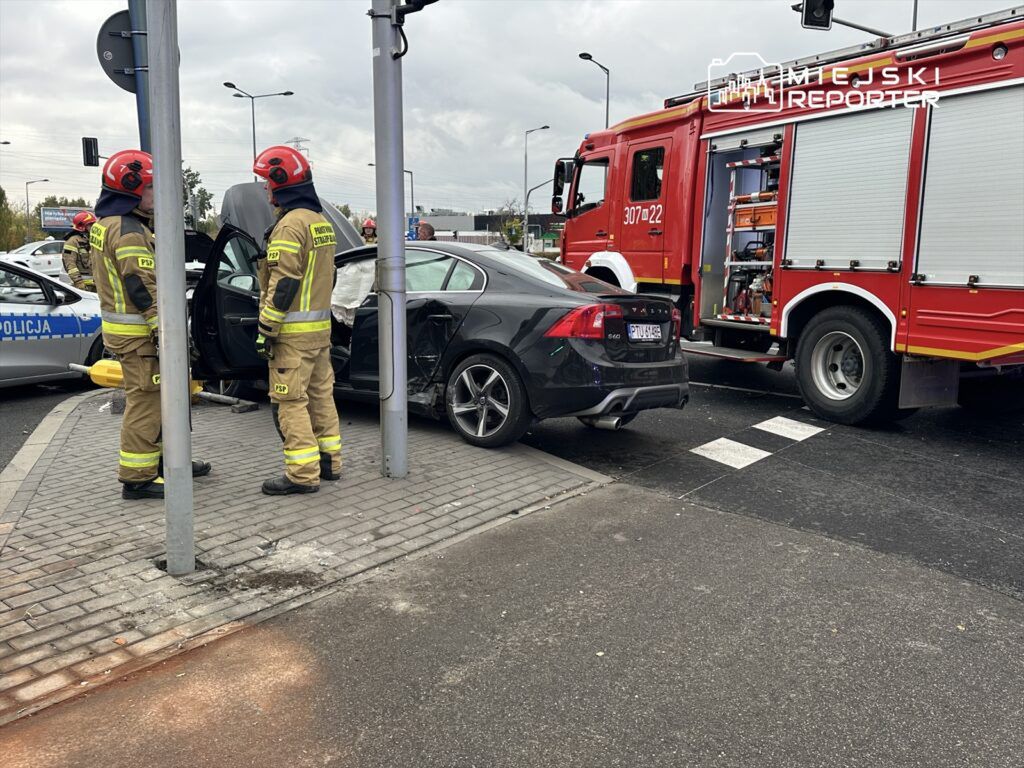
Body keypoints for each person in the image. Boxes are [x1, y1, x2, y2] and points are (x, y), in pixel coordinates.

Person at [90, 149, 211, 500]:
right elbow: (140, 286)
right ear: (130, 190)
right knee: (147, 402)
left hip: (130, 333)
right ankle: (138, 477)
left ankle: (165, 461)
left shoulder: (111, 225)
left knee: (161, 400)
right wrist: (164, 330)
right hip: (140, 335)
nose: (157, 194)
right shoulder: (128, 232)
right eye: (150, 187)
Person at [253, 145, 342, 495]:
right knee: (322, 398)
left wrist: (266, 328)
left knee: (290, 402)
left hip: (291, 334)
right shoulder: (320, 222)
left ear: (281, 183)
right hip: (320, 331)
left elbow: (285, 282)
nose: (264, 189)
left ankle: (302, 475)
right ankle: (330, 463)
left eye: (266, 182)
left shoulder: (290, 226)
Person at [63, 211, 96, 291]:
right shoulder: (72, 242)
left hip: (97, 286)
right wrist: (79, 282)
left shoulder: (91, 240)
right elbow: (70, 266)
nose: (93, 227)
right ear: (82, 226)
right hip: (83, 288)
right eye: (90, 224)